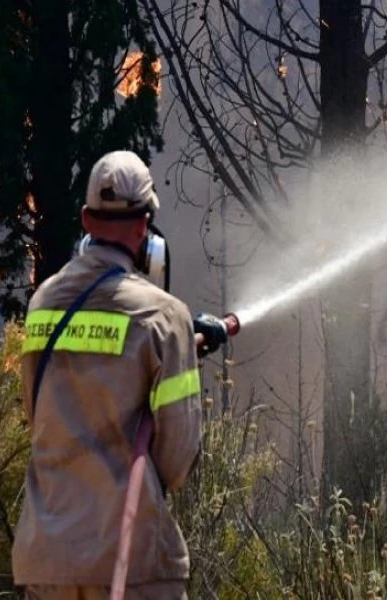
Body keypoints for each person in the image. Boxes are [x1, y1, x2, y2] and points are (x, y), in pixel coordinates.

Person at [14, 151, 228, 599]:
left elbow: (39, 419)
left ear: (86, 221)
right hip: (131, 563)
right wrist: (179, 351)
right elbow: (177, 459)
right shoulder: (165, 317)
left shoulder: (42, 304)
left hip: (46, 561)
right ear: (144, 228)